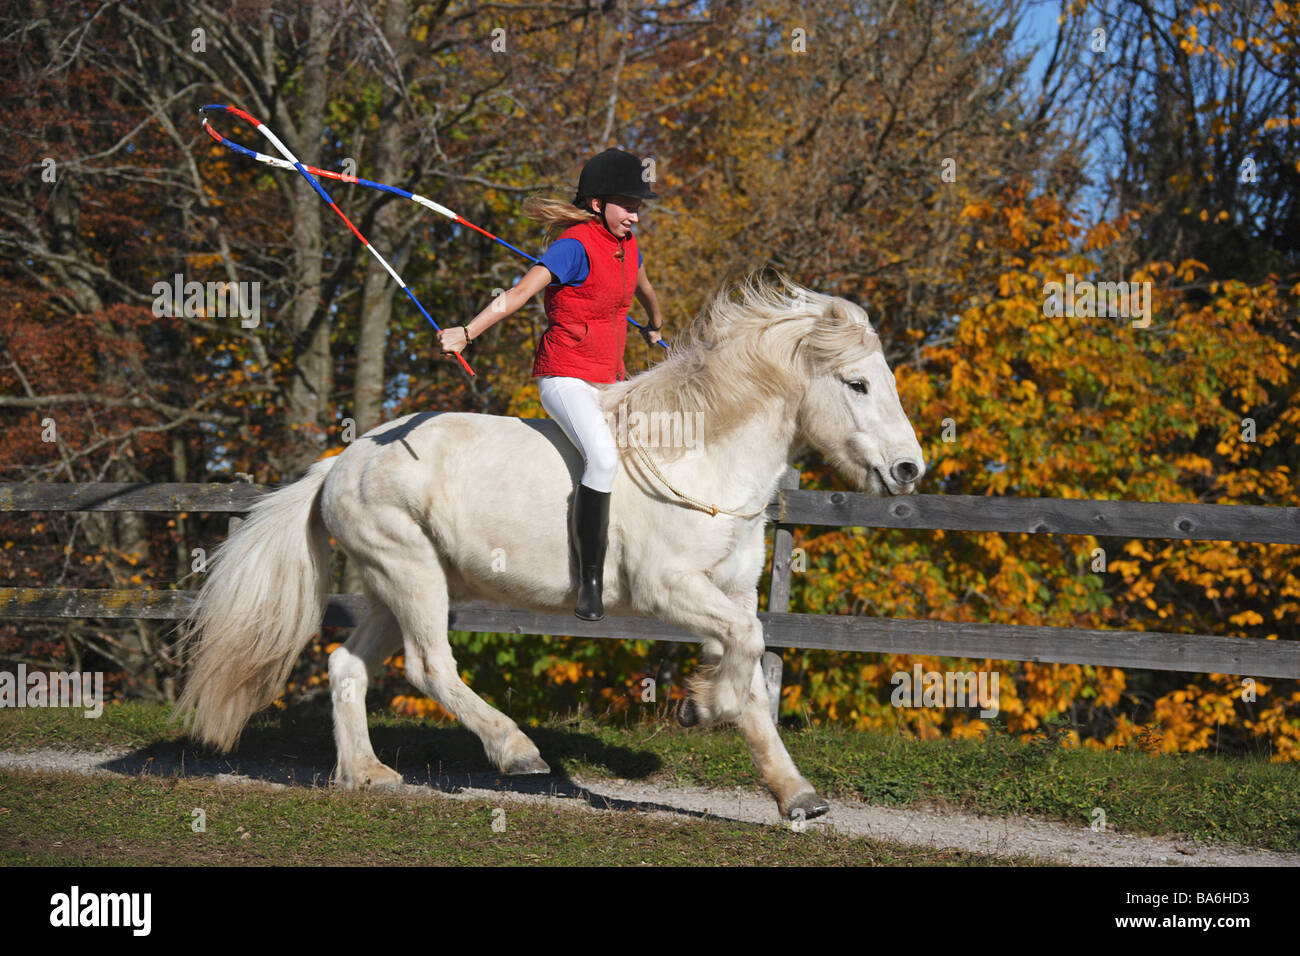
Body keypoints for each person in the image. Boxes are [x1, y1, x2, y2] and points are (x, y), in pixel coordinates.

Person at [437, 148, 665, 621]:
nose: (636, 215)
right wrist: (466, 333)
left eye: (639, 206)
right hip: (567, 377)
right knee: (602, 458)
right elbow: (518, 295)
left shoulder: (628, 243)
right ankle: (589, 580)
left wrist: (657, 323)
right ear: (599, 204)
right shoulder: (572, 246)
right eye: (628, 205)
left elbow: (642, 285)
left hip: (610, 380)